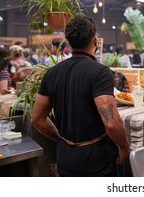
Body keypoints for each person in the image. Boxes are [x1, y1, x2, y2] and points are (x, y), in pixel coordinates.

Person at [31, 16, 130, 177]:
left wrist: (59, 139)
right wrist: (124, 147)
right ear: (95, 41)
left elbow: (37, 119)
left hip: (65, 157)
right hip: (97, 160)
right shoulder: (100, 72)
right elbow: (111, 123)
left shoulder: (52, 73)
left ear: (69, 42)